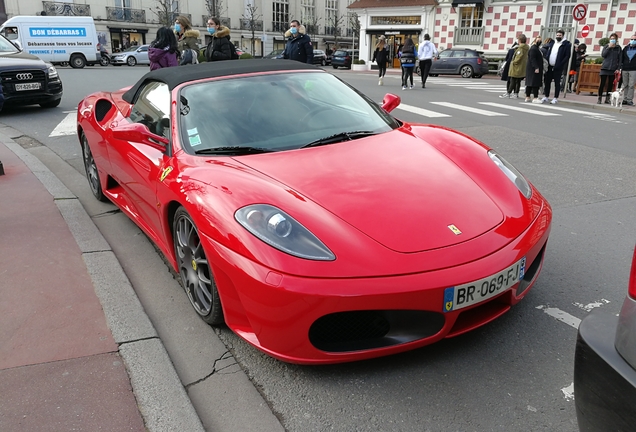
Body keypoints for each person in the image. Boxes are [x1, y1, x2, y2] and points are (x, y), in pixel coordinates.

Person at [541, 29, 571, 104]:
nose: (558, 36)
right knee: (547, 82)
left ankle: (555, 97)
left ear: (563, 36)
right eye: (557, 35)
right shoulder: (552, 43)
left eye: (560, 35)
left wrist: (560, 64)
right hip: (549, 66)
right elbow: (549, 52)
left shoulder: (566, 44)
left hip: (558, 67)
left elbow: (567, 56)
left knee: (557, 83)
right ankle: (546, 96)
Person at [597, 33, 623, 104]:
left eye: (614, 39)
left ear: (616, 40)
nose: (612, 40)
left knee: (610, 84)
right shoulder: (606, 46)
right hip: (605, 67)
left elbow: (620, 59)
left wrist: (618, 68)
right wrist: (609, 47)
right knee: (602, 83)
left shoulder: (618, 48)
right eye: (611, 39)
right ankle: (599, 98)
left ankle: (607, 98)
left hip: (613, 68)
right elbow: (603, 55)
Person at [502, 34, 528, 99]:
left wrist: (513, 62)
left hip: (516, 67)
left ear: (520, 40)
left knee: (513, 80)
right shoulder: (526, 48)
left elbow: (518, 58)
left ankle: (509, 93)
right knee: (518, 81)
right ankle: (516, 93)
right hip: (522, 66)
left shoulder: (520, 48)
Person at [525, 36, 544, 103]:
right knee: (535, 83)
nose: (540, 42)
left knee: (530, 83)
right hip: (534, 68)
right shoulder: (534, 49)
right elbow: (533, 59)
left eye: (540, 40)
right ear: (535, 41)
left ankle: (528, 97)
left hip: (531, 68)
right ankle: (535, 97)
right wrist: (536, 67)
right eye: (538, 40)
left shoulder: (536, 48)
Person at [619, 33, 636, 106]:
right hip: (625, 68)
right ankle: (624, 99)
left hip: (633, 69)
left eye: (635, 40)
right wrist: (620, 67)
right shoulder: (626, 48)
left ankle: (629, 100)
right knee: (625, 84)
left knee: (631, 85)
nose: (633, 41)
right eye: (632, 39)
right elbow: (621, 58)